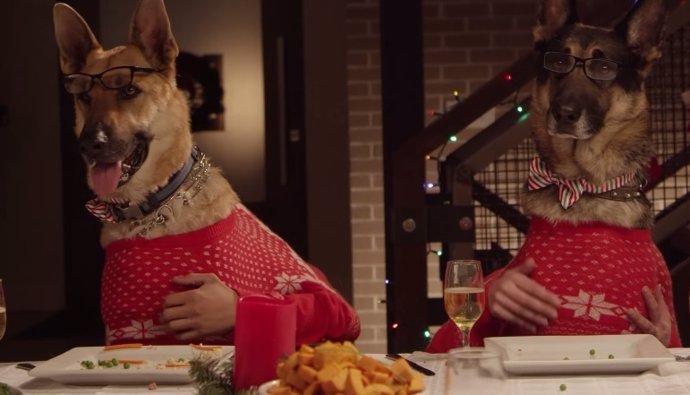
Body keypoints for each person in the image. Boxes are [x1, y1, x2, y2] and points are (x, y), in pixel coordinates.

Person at [427, 231, 681, 353]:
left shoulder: (652, 267)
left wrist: (660, 348)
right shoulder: (508, 285)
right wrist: (486, 309)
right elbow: (439, 357)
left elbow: (676, 363)